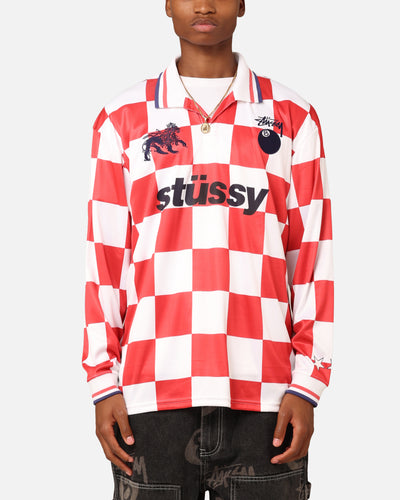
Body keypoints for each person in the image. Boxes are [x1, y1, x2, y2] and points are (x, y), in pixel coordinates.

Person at [82, 1, 333, 498]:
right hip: (150, 393)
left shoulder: (292, 117)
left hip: (267, 397)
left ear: (242, 3)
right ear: (166, 4)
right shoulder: (122, 119)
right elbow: (104, 260)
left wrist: (309, 383)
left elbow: (311, 259)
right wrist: (102, 382)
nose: (203, 4)